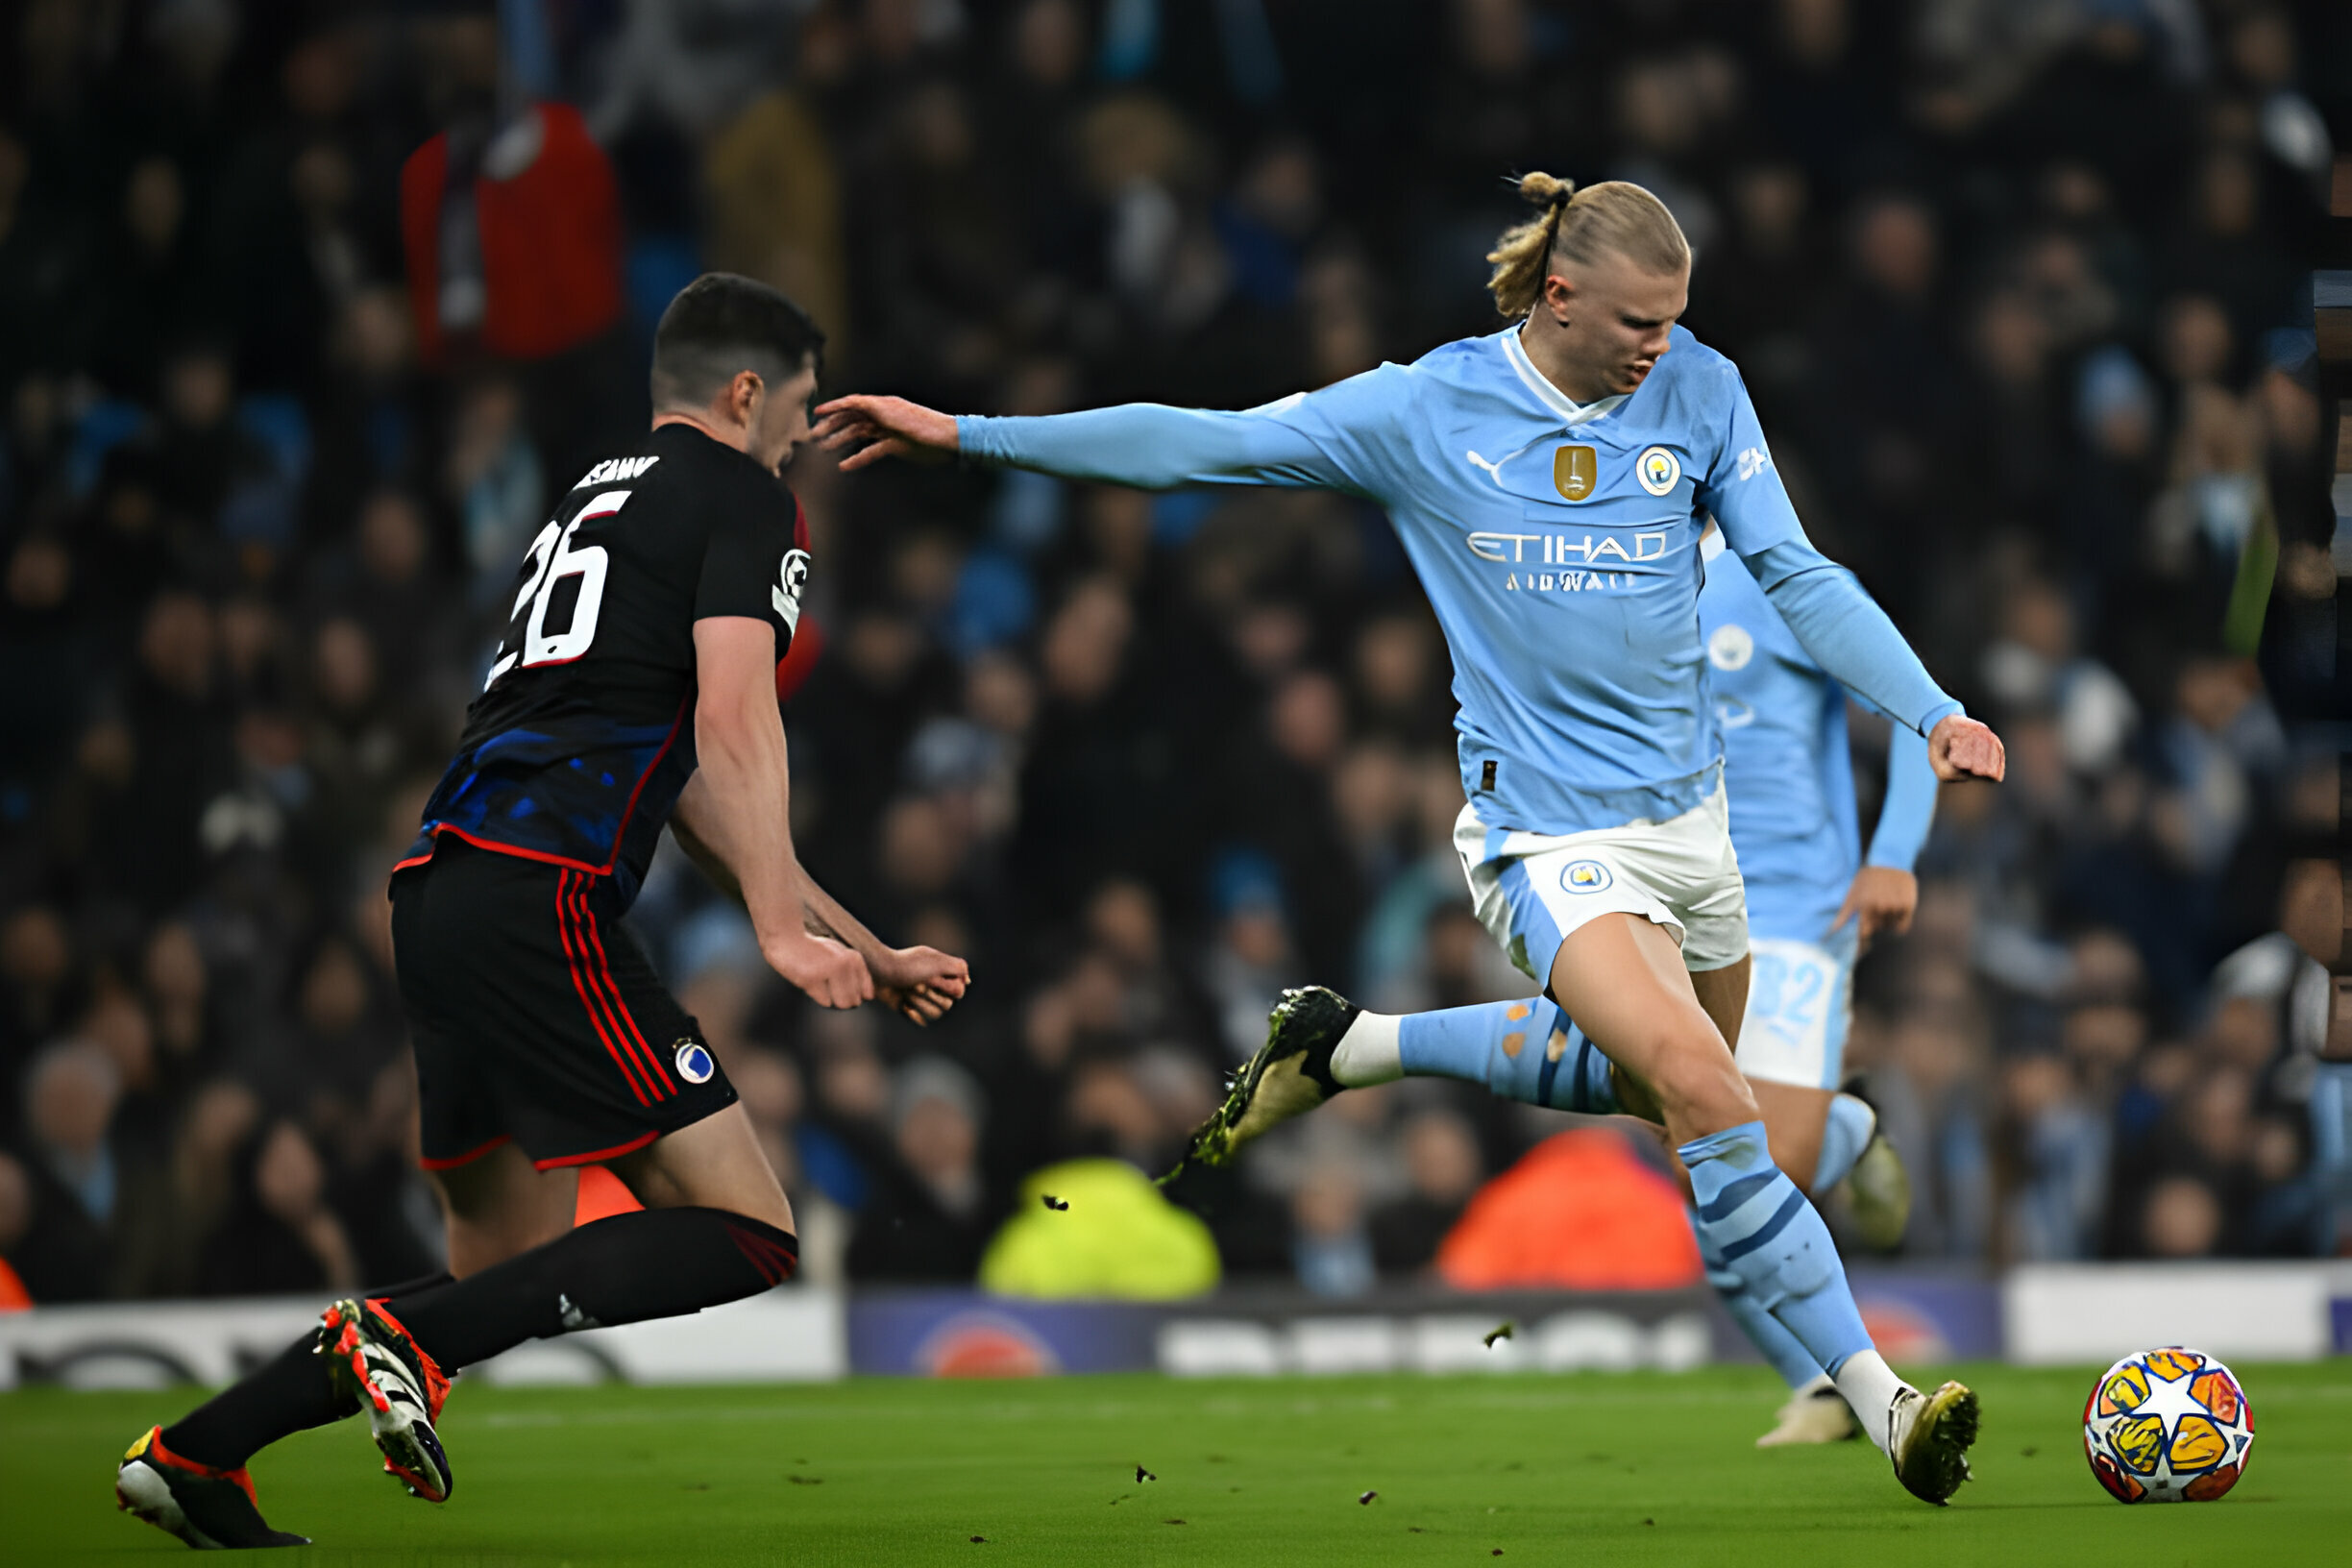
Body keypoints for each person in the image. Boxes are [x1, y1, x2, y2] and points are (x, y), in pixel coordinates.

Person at [817, 176, 2003, 1505]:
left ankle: (1355, 1045)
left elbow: (1796, 570)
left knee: (1674, 1087)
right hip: (1546, 839)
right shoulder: (1429, 410)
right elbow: (1196, 442)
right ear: (1559, 297)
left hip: (1693, 831)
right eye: (1636, 321)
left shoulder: (1703, 389)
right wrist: (972, 438)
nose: (1659, 346)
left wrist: (1932, 710)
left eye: (1674, 321)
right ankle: (1882, 1401)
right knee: (1714, 1096)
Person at [115, 274, 970, 1550]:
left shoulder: (595, 496)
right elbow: (738, 722)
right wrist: (787, 940)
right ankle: (387, 1338)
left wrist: (856, 940)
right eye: (793, 409)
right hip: (542, 898)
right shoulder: (747, 498)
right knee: (746, 1231)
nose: (798, 439)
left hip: (442, 896)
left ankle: (194, 1453)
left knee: (491, 1279)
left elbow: (678, 787)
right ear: (747, 395)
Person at [1176, 518, 1942, 1447]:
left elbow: (1909, 701)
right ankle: (1826, 1383)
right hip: (1664, 897)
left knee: (1745, 1150)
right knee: (1696, 1139)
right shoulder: (1593, 595)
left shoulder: (1779, 579)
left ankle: (1845, 1145)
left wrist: (1893, 853)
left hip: (1796, 910)